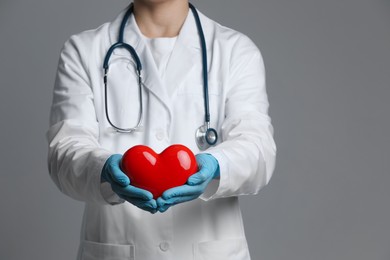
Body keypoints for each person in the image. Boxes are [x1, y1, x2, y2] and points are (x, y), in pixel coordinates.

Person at [47, 0, 276, 259]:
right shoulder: (84, 51)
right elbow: (64, 153)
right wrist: (103, 169)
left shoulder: (235, 50)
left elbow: (258, 149)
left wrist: (216, 165)